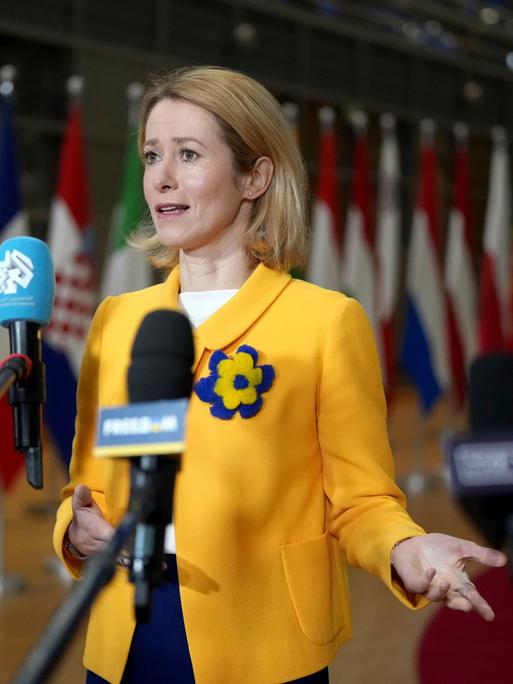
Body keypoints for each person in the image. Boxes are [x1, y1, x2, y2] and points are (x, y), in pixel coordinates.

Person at [53, 65, 507, 684]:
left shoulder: (325, 322)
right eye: (152, 154)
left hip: (264, 646)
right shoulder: (117, 320)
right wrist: (75, 530)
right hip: (124, 640)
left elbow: (362, 501)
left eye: (188, 154)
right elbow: (87, 489)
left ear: (255, 176)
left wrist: (405, 547)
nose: (160, 176)